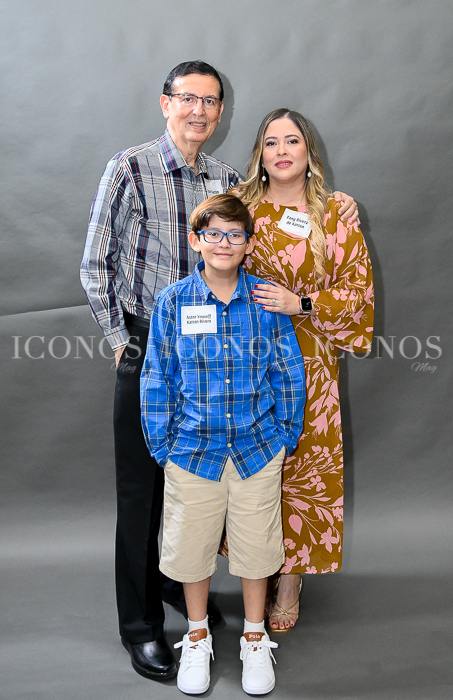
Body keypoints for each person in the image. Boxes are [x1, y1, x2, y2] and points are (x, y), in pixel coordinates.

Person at [80, 58, 358, 678]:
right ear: (166, 103)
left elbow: (262, 247)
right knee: (144, 489)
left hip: (227, 348)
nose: (199, 111)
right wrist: (121, 339)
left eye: (210, 101)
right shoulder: (130, 168)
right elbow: (95, 263)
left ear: (221, 111)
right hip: (153, 339)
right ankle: (141, 627)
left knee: (192, 489)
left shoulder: (227, 177)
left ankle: (182, 586)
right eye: (188, 98)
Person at [140, 193, 306, 695]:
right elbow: (157, 377)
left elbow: (287, 370)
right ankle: (197, 637)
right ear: (196, 241)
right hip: (192, 451)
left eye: (235, 234)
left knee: (256, 548)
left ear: (248, 243)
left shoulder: (266, 301)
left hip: (257, 449)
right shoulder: (173, 302)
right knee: (191, 548)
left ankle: (254, 638)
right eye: (213, 233)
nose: (224, 243)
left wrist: (284, 436)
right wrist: (163, 447)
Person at [232, 108, 374, 631]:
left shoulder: (334, 212)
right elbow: (211, 268)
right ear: (260, 155)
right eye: (271, 142)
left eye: (292, 141)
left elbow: (357, 292)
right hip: (247, 362)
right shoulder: (240, 208)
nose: (282, 151)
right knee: (252, 466)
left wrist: (303, 304)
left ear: (309, 151)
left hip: (311, 362)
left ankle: (290, 578)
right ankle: (257, 566)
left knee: (303, 467)